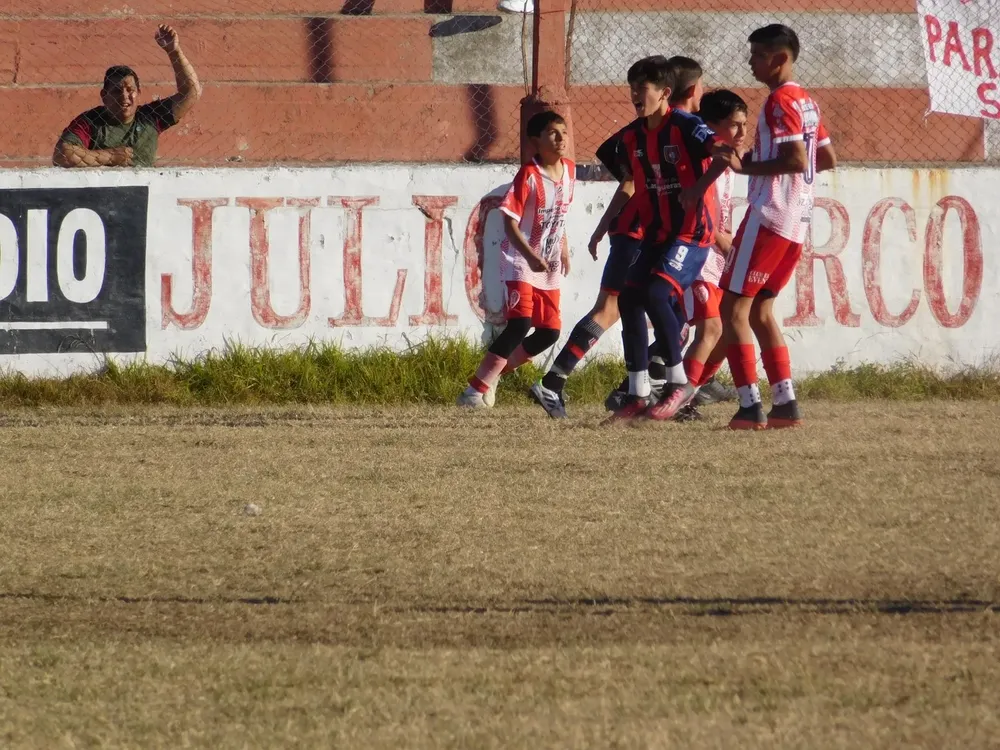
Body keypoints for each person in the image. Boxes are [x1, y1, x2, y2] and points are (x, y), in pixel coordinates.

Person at [720, 24, 837, 430]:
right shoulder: (807, 102)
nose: (750, 61)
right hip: (796, 221)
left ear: (779, 58)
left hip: (769, 215)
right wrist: (765, 157)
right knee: (762, 311)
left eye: (756, 54)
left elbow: (795, 159)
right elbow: (825, 159)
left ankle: (749, 406)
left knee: (732, 308)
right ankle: (785, 404)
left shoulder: (779, 101)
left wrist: (746, 166)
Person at [605, 56, 732, 422]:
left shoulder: (687, 126)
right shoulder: (632, 136)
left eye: (641, 88)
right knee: (629, 295)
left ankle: (678, 384)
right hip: (658, 234)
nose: (634, 95)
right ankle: (637, 393)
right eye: (631, 88)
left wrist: (697, 190)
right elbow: (625, 173)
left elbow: (722, 155)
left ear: (664, 93)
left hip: (693, 234)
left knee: (657, 293)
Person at [457, 111, 574, 408]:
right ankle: (473, 391)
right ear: (535, 141)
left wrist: (563, 248)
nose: (561, 139)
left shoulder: (571, 171)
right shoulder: (529, 175)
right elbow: (510, 221)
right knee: (519, 325)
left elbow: (560, 216)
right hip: (521, 262)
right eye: (552, 133)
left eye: (563, 132)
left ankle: (494, 375)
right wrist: (531, 255)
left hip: (547, 266)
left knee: (549, 332)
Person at [674, 89, 749, 421]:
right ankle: (675, 400)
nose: (742, 133)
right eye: (735, 125)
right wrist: (722, 240)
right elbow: (693, 206)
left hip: (719, 259)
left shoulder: (728, 164)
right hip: (698, 255)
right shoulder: (701, 161)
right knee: (711, 329)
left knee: (721, 334)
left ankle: (689, 394)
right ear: (712, 126)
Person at [53, 25, 201, 168]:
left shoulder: (149, 118)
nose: (124, 96)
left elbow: (191, 93)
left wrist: (174, 51)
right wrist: (110, 156)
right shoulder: (91, 121)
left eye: (130, 90)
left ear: (139, 93)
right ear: (104, 96)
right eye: (117, 91)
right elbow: (62, 155)